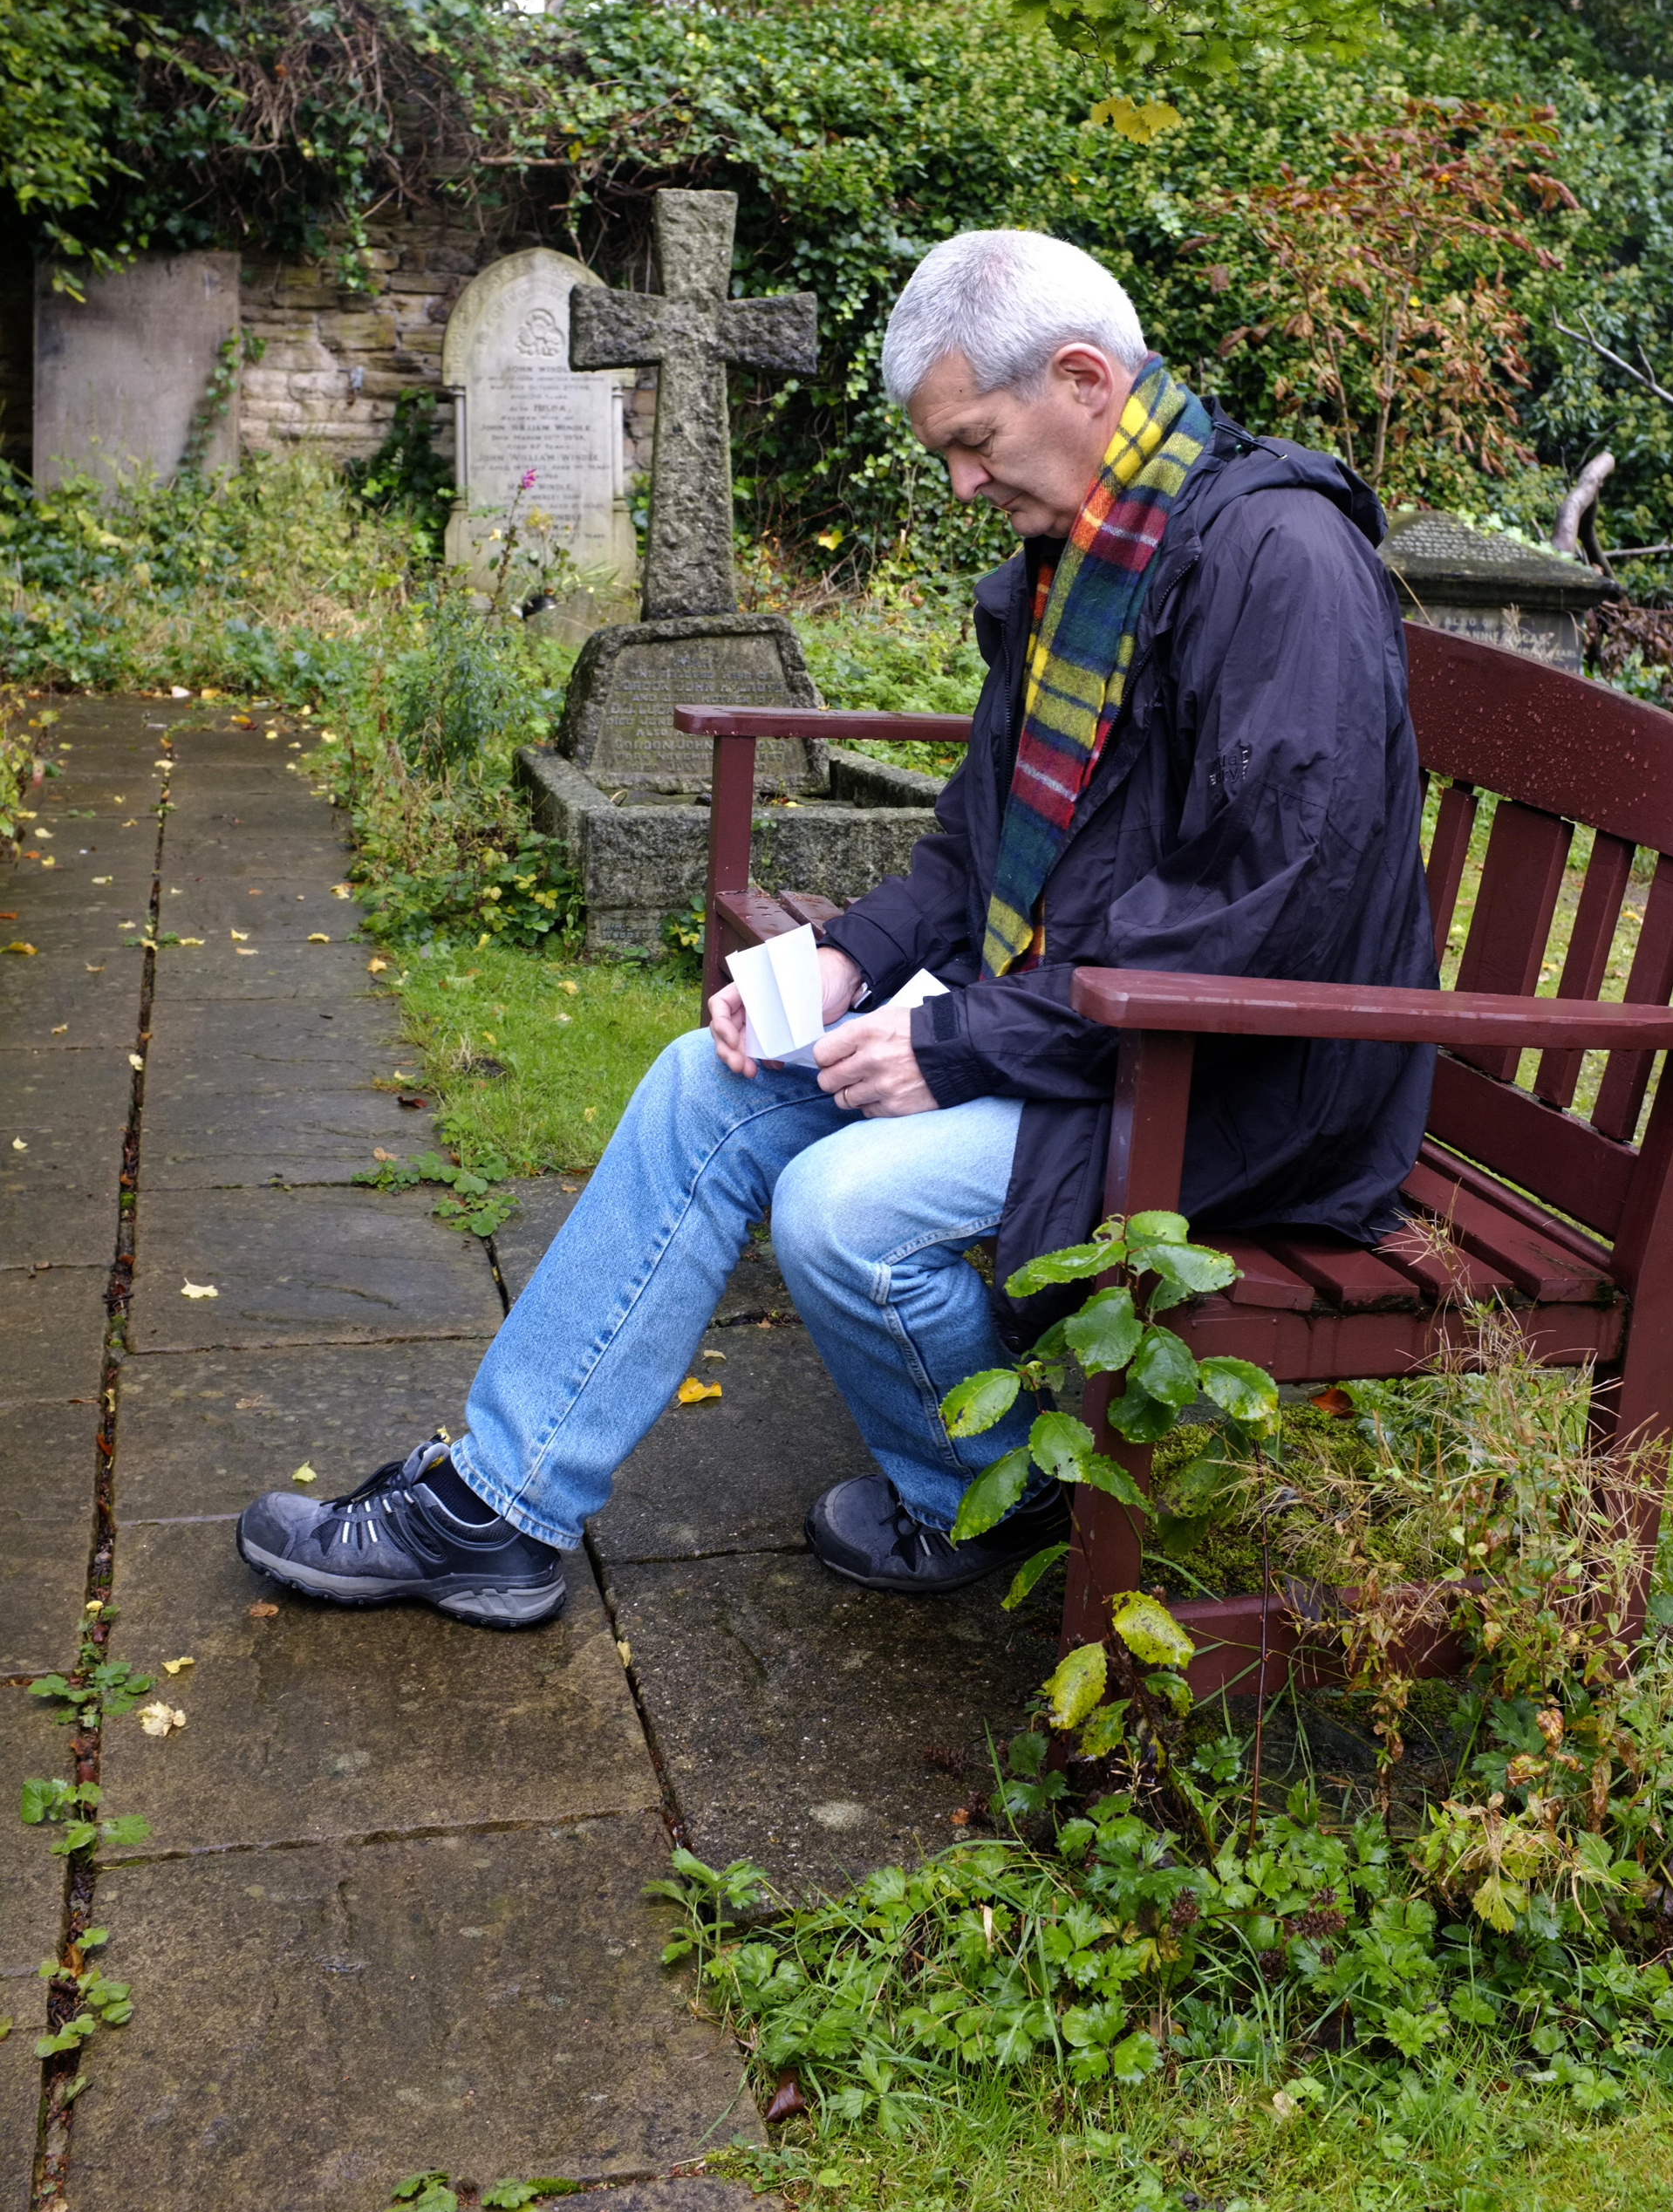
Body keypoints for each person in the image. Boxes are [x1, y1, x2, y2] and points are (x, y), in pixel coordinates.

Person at [236, 228, 1435, 1628]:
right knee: (708, 1082)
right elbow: (979, 846)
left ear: (1086, 376)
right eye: (948, 452)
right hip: (1108, 1036)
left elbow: (1267, 917)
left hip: (1244, 1085)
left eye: (976, 442)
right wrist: (847, 955)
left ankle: (986, 1495)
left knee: (843, 1210)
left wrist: (962, 1038)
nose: (964, 482)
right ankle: (496, 1507)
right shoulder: (1093, 555)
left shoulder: (1275, 564)